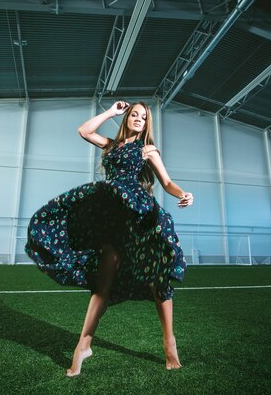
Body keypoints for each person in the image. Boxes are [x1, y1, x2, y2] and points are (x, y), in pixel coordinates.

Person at [25, 100, 194, 377]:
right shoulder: (111, 146)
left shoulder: (147, 149)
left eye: (143, 117)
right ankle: (83, 345)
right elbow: (84, 130)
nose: (139, 119)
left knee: (157, 276)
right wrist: (111, 112)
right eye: (134, 115)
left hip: (139, 213)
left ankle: (169, 342)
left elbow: (166, 182)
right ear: (127, 118)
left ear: (147, 124)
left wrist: (183, 194)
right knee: (104, 279)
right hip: (113, 214)